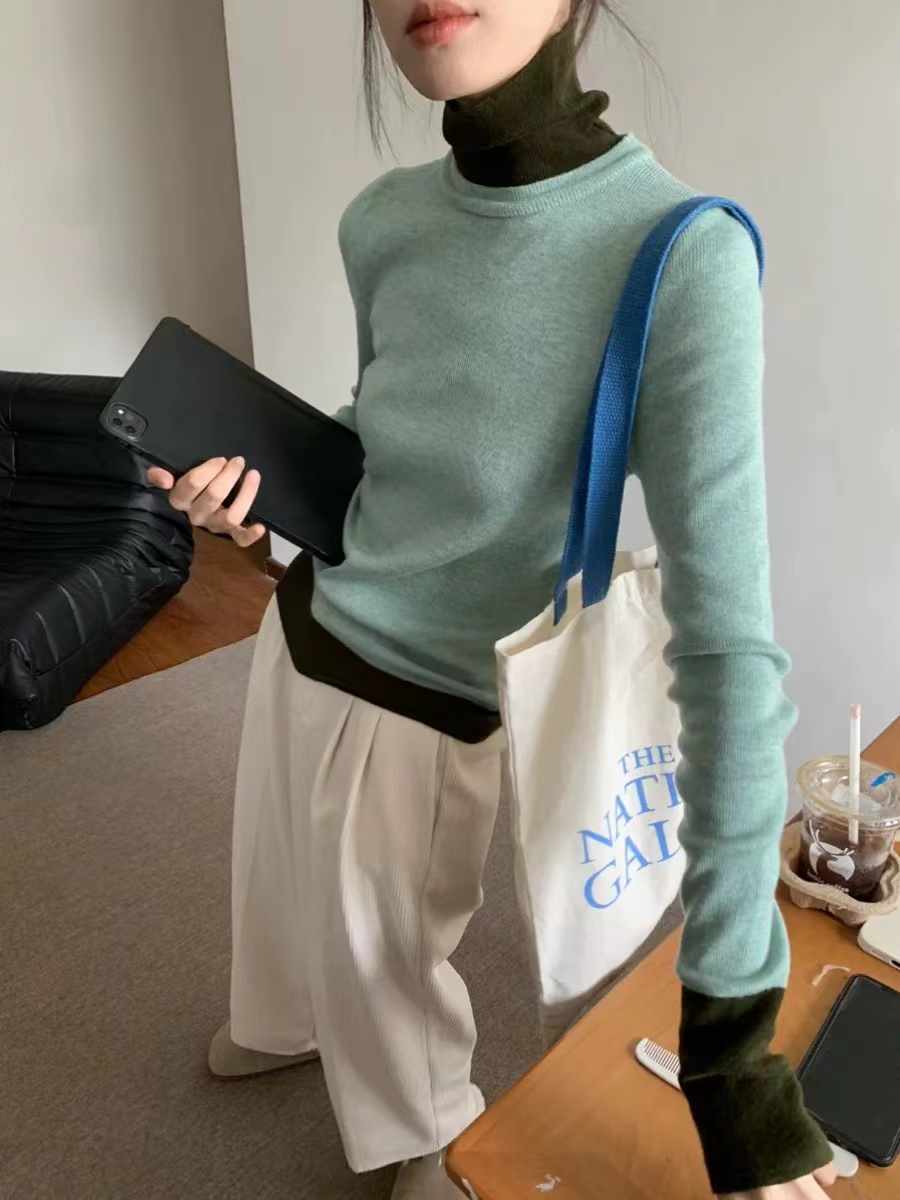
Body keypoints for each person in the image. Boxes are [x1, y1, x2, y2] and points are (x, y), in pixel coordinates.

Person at [146, 3, 839, 1197]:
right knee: (283, 891)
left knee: (388, 962)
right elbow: (387, 437)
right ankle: (285, 1019)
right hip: (298, 630)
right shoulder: (384, 221)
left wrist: (733, 1047)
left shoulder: (678, 254)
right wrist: (254, 497)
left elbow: (729, 653)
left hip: (427, 699)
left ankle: (426, 1130)